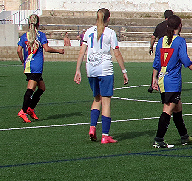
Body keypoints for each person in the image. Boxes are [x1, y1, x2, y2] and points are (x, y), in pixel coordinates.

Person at [73, 8, 129, 143]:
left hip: (91, 69)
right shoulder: (110, 33)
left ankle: (92, 127)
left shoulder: (88, 32)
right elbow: (117, 53)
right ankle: (105, 135)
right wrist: (124, 71)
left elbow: (82, 52)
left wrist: (78, 70)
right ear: (108, 19)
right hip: (105, 69)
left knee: (97, 98)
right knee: (106, 101)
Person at [152, 14, 192, 148]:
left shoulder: (161, 40)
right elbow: (185, 59)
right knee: (168, 109)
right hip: (172, 81)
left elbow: (157, 61)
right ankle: (159, 139)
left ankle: (184, 137)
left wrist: (154, 78)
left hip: (162, 79)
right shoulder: (180, 41)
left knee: (177, 108)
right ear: (180, 26)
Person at [16, 14, 65, 122]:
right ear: (38, 23)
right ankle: (23, 111)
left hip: (28, 66)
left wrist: (23, 61)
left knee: (42, 88)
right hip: (36, 66)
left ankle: (30, 109)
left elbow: (19, 50)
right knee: (31, 89)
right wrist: (58, 51)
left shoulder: (24, 36)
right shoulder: (40, 35)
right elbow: (46, 49)